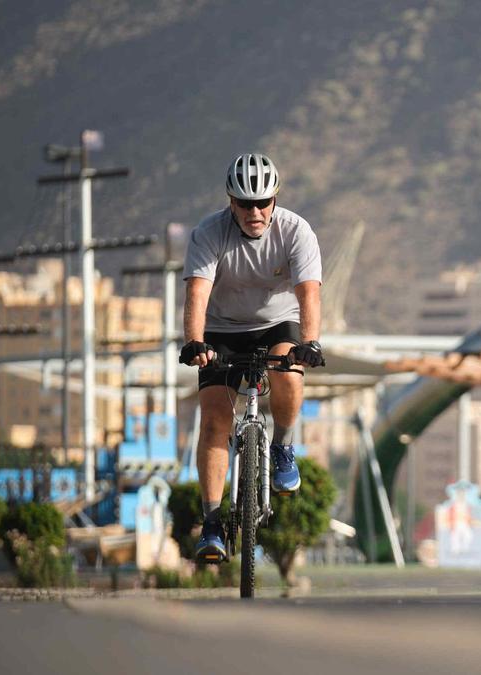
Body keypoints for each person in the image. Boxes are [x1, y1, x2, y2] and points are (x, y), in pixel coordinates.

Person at [179, 153, 327, 563]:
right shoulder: (208, 234)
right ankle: (211, 524)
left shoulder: (297, 232)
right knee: (213, 419)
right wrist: (194, 342)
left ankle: (282, 445)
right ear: (231, 202)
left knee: (289, 369)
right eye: (245, 203)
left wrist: (310, 342)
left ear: (275, 200)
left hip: (279, 322)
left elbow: (309, 293)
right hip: (222, 328)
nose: (255, 211)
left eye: (263, 202)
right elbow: (197, 293)